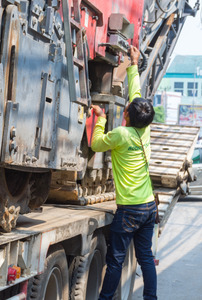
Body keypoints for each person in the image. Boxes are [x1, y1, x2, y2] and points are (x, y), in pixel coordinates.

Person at [91, 46, 157, 300]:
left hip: (129, 210)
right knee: (146, 258)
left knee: (116, 260)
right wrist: (134, 64)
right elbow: (138, 95)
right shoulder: (144, 130)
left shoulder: (120, 134)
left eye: (127, 107)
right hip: (148, 206)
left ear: (126, 115)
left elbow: (97, 144)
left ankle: (105, 299)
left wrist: (100, 118)